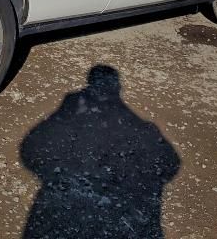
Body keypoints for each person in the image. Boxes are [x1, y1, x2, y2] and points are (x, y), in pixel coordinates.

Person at [20, 65, 180, 238]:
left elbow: (29, 146)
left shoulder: (73, 106)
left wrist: (48, 174)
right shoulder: (139, 126)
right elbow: (171, 163)